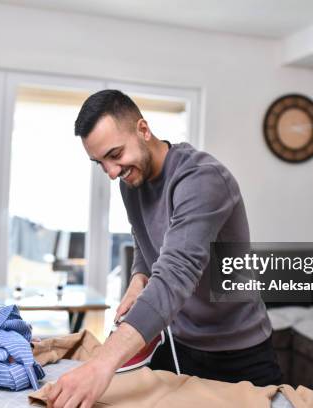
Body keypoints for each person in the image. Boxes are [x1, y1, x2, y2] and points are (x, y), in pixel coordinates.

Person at [44, 90, 280, 408]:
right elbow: (146, 237)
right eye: (100, 163)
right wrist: (138, 278)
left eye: (115, 155)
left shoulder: (202, 179)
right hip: (179, 343)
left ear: (143, 129)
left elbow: (176, 274)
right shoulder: (133, 181)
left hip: (239, 353)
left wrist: (101, 364)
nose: (112, 172)